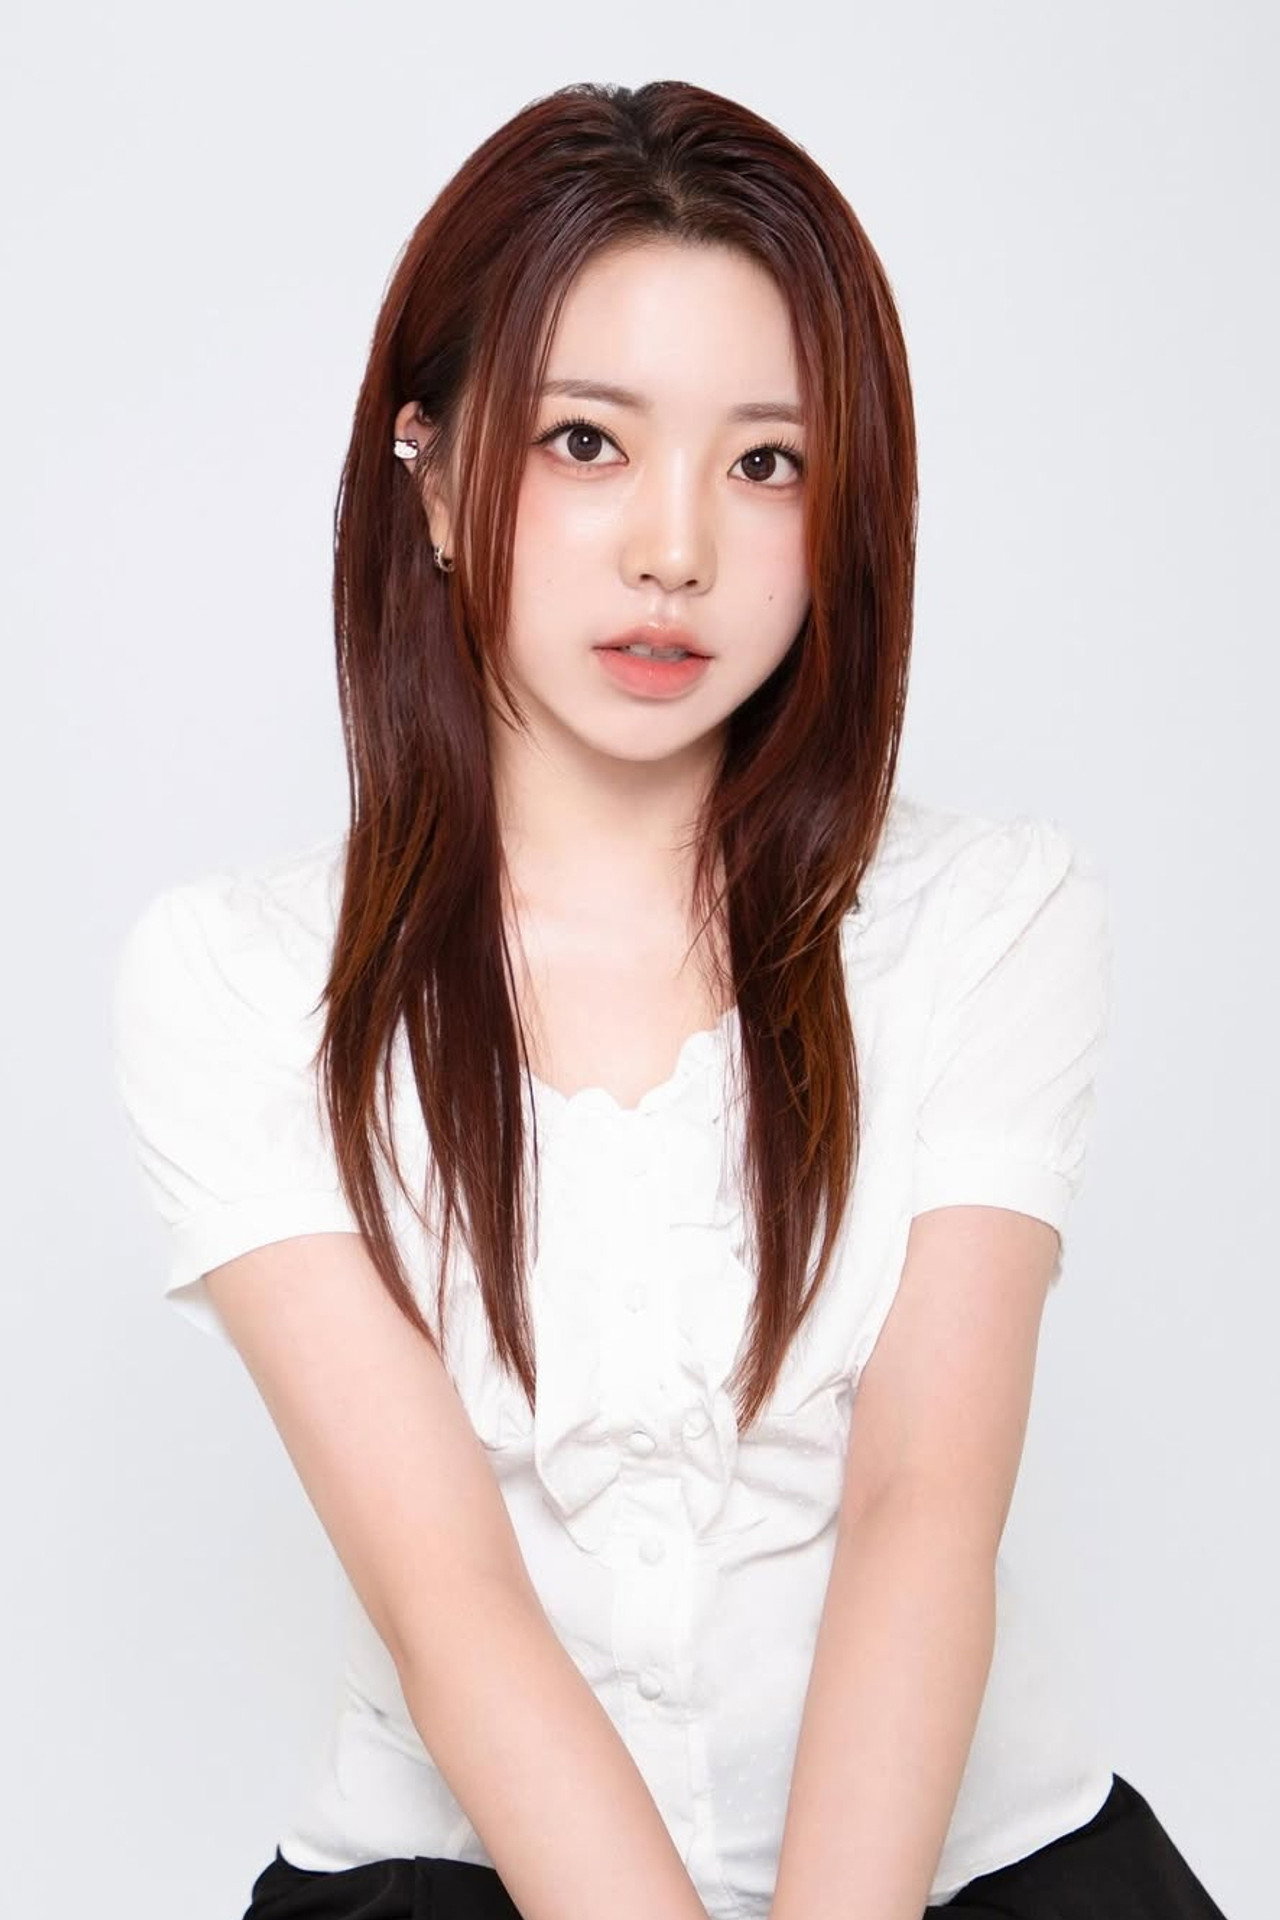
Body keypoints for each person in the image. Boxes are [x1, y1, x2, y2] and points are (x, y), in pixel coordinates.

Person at [109, 78, 1227, 1920]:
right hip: (468, 1880)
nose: (677, 550)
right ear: (433, 475)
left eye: (767, 463)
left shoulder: (989, 921)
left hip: (973, 1871)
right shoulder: (243, 985)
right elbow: (452, 1598)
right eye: (586, 442)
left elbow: (922, 1511)